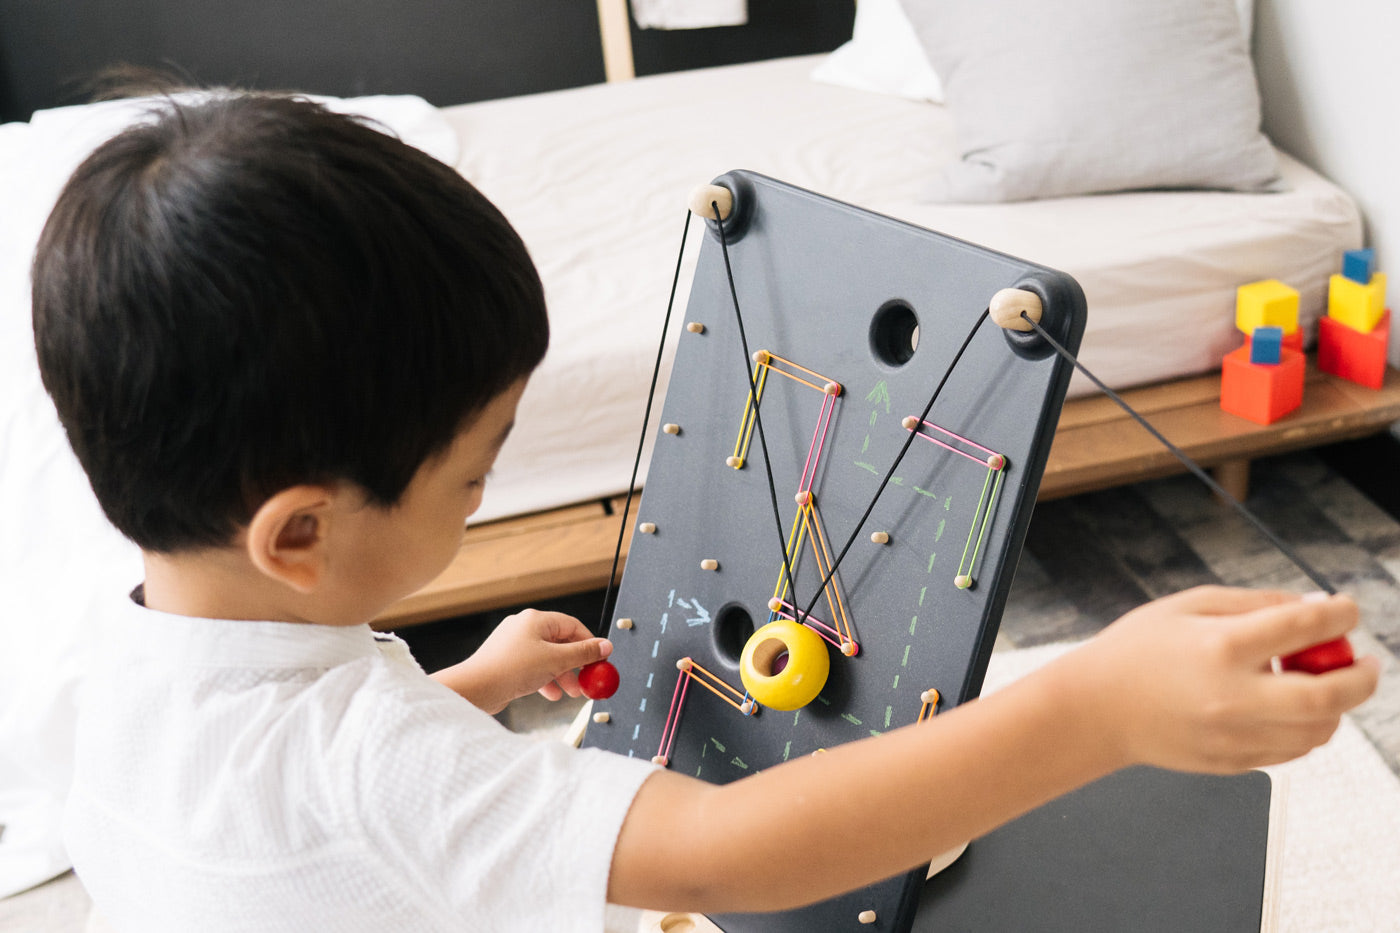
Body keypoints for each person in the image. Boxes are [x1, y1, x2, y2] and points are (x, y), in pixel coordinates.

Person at [31, 92, 1378, 932]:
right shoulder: (378, 762)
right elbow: (734, 850)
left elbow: (279, 806)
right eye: (474, 472)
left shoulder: (115, 643)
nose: (483, 490)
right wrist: (1097, 704)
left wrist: (479, 682)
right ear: (302, 533)